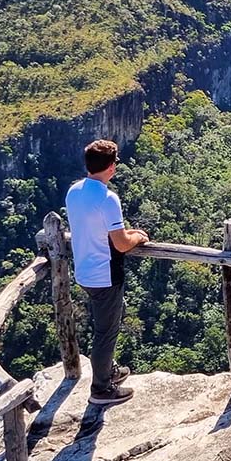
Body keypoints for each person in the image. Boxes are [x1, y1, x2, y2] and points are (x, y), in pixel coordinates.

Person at [65, 139, 149, 406]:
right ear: (111, 167)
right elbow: (121, 244)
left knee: (103, 327)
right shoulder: (108, 198)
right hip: (105, 273)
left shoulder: (74, 192)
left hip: (84, 271)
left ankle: (108, 371)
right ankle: (101, 389)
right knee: (106, 331)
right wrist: (137, 237)